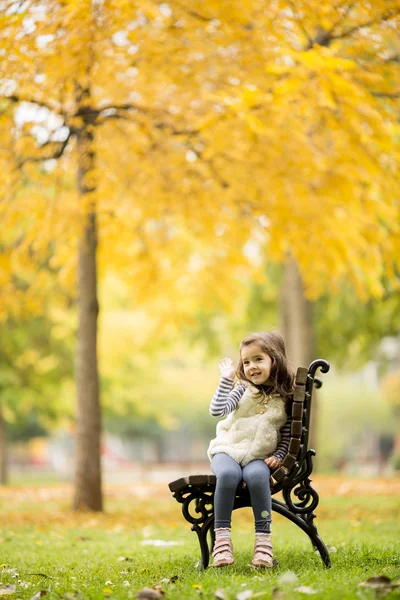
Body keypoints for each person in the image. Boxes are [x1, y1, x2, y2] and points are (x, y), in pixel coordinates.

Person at [207, 331, 294, 568]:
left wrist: (278, 455)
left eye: (258, 359)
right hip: (228, 449)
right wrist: (226, 380)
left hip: (259, 456)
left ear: (274, 360)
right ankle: (222, 541)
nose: (251, 367)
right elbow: (217, 411)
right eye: (246, 362)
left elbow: (286, 433)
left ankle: (263, 543)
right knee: (227, 475)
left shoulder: (284, 397)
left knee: (257, 477)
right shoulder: (241, 389)